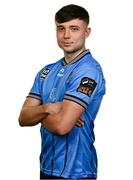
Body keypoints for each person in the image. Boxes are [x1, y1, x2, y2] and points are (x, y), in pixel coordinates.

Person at [18, 4, 106, 180]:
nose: (66, 35)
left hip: (77, 171)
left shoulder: (88, 71)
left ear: (87, 32)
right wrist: (49, 108)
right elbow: (23, 118)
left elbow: (62, 126)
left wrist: (39, 115)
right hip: (46, 166)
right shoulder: (46, 71)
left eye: (74, 29)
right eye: (61, 29)